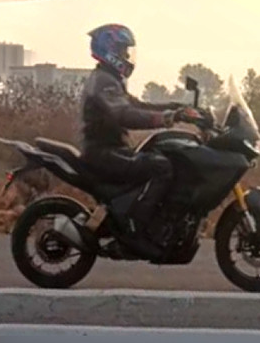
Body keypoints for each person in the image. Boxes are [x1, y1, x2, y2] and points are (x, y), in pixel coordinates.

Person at [80, 23, 198, 257]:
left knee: (160, 158)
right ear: (109, 50)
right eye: (122, 50)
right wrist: (168, 118)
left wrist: (176, 108)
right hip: (103, 152)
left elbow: (138, 106)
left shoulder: (109, 79)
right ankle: (134, 231)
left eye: (127, 51)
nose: (126, 56)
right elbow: (124, 115)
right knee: (161, 167)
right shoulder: (104, 81)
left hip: (110, 149)